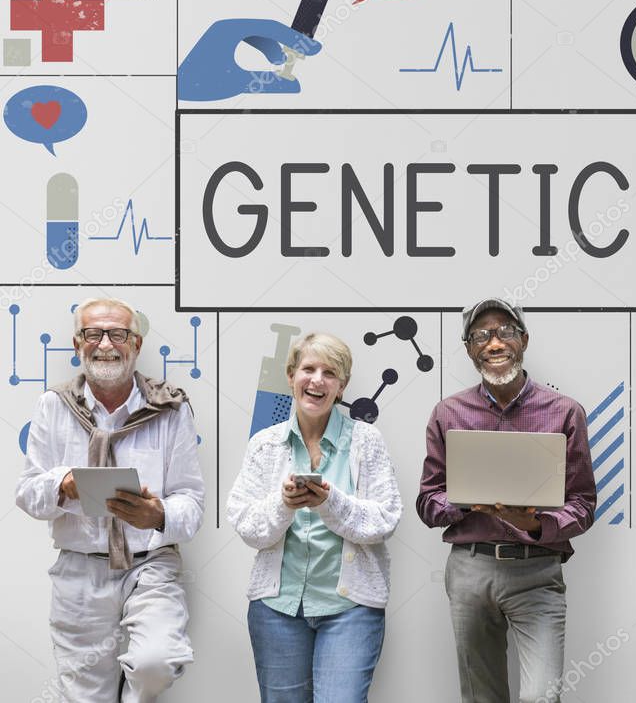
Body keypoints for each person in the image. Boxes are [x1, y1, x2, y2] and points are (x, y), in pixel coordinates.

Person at [15, 296, 204, 702]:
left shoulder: (169, 409)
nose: (105, 343)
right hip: (80, 569)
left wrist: (159, 514)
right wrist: (61, 486)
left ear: (135, 344)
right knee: (84, 694)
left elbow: (192, 501)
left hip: (151, 566)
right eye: (93, 333)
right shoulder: (53, 406)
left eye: (118, 334)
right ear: (76, 343)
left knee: (155, 663)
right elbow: (27, 493)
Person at [417, 298, 596, 703]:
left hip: (537, 571)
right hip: (470, 570)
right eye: (481, 335)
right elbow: (428, 502)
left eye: (505, 332)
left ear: (524, 340)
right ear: (469, 349)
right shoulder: (448, 413)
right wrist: (466, 502)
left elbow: (583, 504)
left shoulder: (565, 412)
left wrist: (535, 524)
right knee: (482, 698)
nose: (494, 342)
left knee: (541, 698)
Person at [227, 332, 401, 703]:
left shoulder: (366, 440)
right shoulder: (265, 443)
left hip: (350, 609)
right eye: (308, 369)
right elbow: (245, 523)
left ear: (342, 386)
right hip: (277, 608)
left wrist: (328, 500)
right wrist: (284, 504)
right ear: (291, 376)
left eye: (330, 372)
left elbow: (385, 519)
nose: (317, 380)